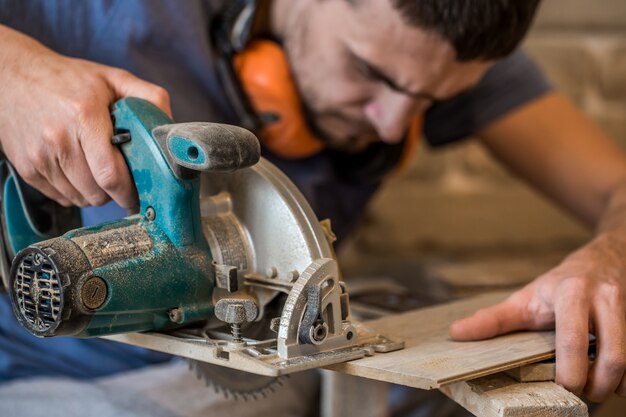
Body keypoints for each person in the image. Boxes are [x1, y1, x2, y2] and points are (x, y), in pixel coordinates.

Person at [0, 0, 624, 414]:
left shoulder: (444, 43)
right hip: (55, 375)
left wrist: (610, 257)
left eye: (434, 100)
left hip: (279, 359)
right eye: (367, 70)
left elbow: (613, 186)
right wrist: (16, 70)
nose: (391, 125)